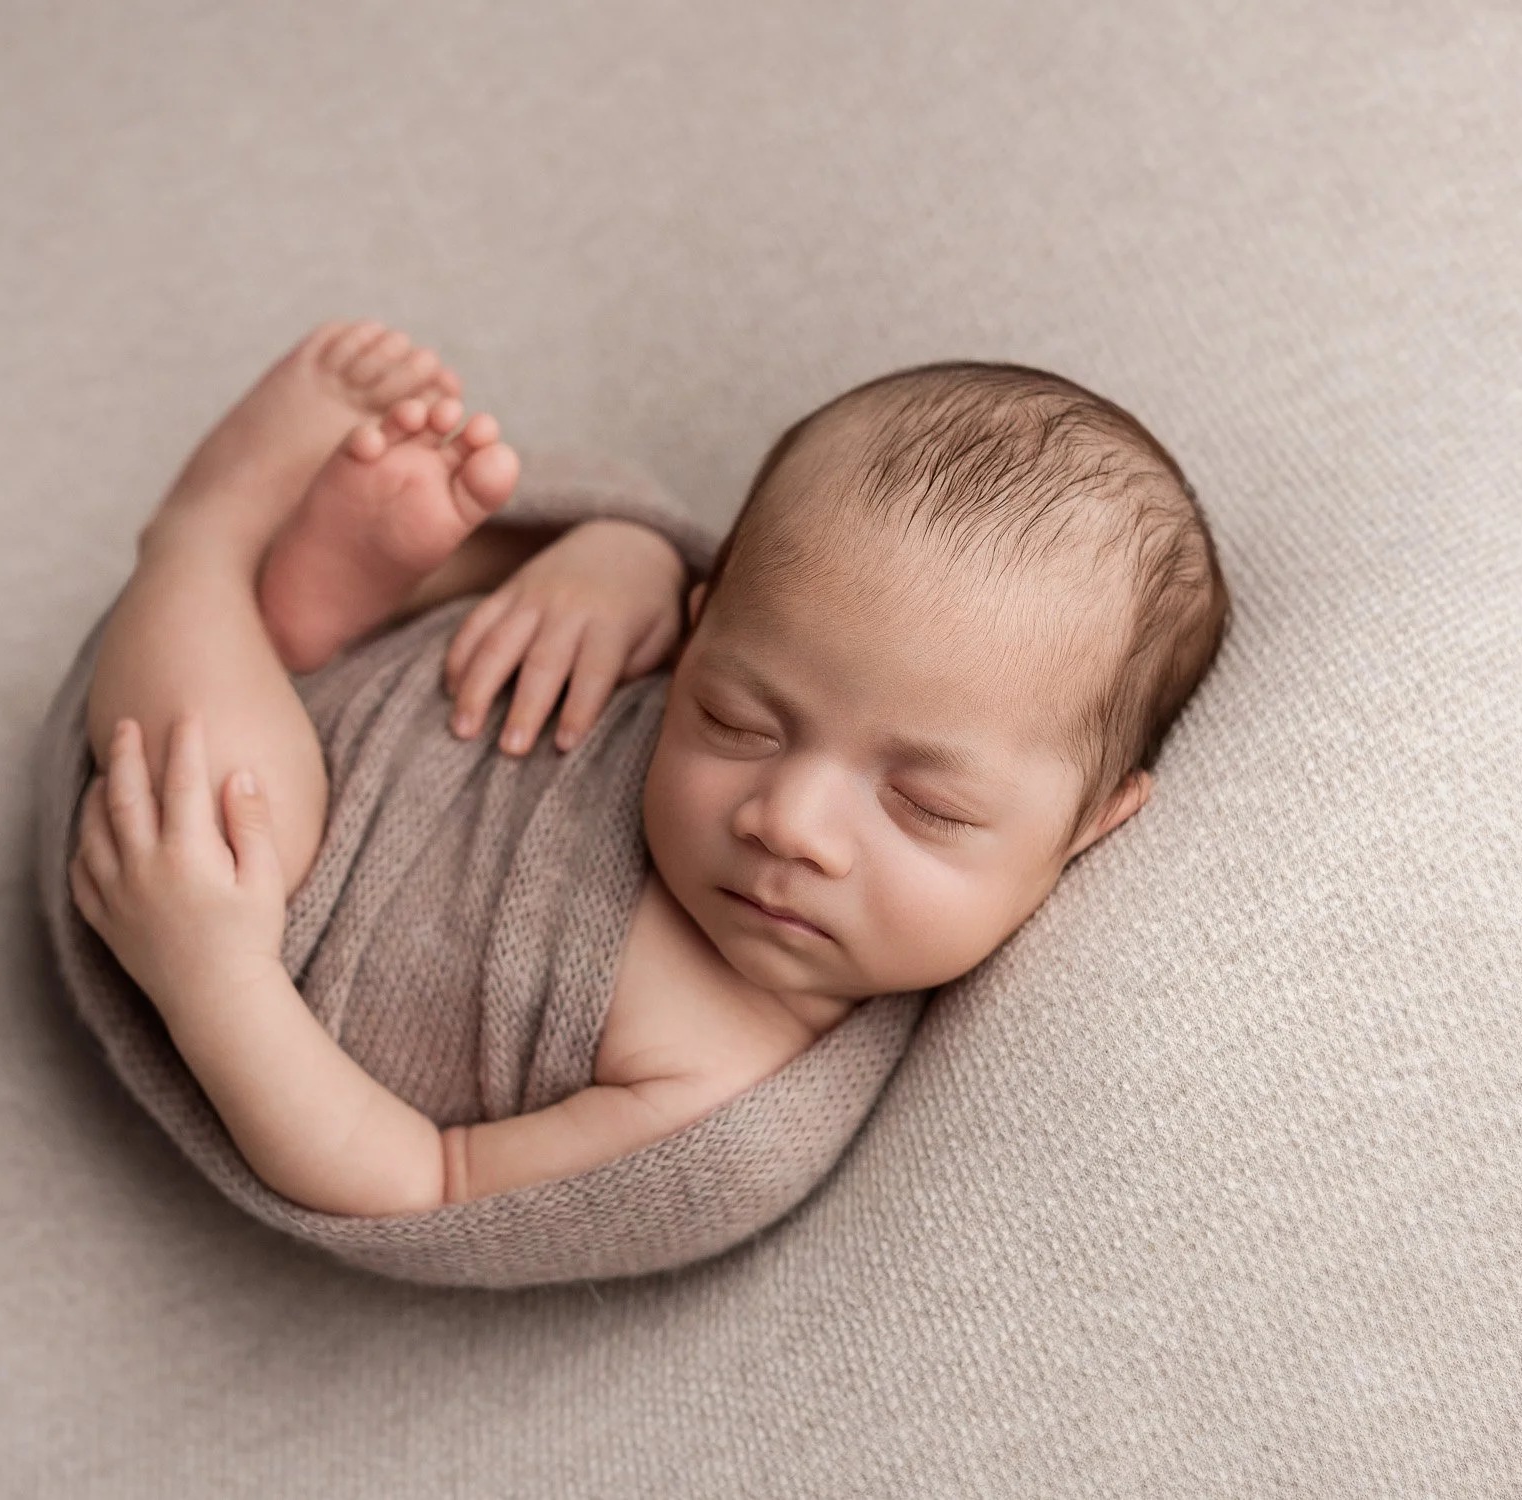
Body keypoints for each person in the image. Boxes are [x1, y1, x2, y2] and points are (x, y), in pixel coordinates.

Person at [69, 319, 1228, 1216]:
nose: (790, 821)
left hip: (248, 917)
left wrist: (212, 978)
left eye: (922, 804)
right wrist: (614, 554)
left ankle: (204, 541)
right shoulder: (720, 619)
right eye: (737, 720)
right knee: (566, 587)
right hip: (432, 676)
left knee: (231, 805)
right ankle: (333, 602)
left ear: (1089, 825)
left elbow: (426, 1181)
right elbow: (693, 578)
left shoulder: (723, 1110)